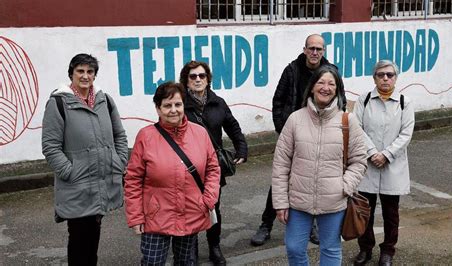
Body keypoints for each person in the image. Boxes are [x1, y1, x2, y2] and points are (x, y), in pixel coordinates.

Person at [251, 34, 344, 246]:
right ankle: (266, 224)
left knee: (315, 181)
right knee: (281, 180)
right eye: (311, 48)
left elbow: (341, 102)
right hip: (294, 134)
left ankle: (312, 225)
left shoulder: (331, 72)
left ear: (323, 51)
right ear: (304, 50)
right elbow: (278, 100)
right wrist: (283, 129)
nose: (314, 52)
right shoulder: (292, 70)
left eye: (319, 49)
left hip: (321, 135)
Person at [272, 65, 367, 265]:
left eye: (331, 84)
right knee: (295, 248)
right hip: (298, 200)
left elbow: (359, 160)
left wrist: (344, 186)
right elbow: (281, 163)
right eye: (321, 82)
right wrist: (280, 201)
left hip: (333, 200)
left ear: (337, 89)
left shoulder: (348, 121)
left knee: (330, 249)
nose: (326, 87)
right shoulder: (295, 119)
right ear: (312, 87)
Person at [42, 53, 128, 265]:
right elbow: (50, 147)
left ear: (95, 75)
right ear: (71, 73)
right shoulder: (58, 103)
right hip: (77, 185)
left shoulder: (104, 100)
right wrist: (70, 172)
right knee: (80, 241)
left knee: (93, 237)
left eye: (90, 71)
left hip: (102, 182)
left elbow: (120, 135)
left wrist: (120, 161)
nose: (85, 76)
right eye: (80, 71)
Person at [124, 81, 221, 265]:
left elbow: (213, 168)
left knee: (186, 262)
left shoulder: (200, 133)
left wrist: (208, 199)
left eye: (178, 104)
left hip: (192, 211)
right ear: (158, 109)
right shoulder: (146, 136)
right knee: (152, 262)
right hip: (156, 215)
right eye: (167, 105)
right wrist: (135, 216)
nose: (173, 110)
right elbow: (133, 180)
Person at [180, 60, 248, 265]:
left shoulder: (218, 102)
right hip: (186, 167)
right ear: (186, 81)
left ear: (208, 79)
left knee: (213, 208)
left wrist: (242, 148)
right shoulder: (179, 104)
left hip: (212, 167)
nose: (198, 79)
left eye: (202, 76)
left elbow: (233, 127)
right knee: (188, 209)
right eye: (193, 76)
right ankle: (189, 248)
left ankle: (214, 247)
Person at [352, 60, 415, 266]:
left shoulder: (405, 102)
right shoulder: (364, 100)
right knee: (364, 211)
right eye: (381, 75)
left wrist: (386, 154)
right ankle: (365, 248)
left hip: (392, 165)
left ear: (395, 78)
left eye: (390, 74)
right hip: (367, 164)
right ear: (374, 78)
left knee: (391, 213)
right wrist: (372, 153)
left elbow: (406, 134)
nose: (385, 78)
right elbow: (357, 128)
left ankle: (388, 251)